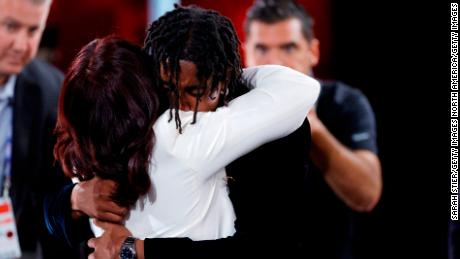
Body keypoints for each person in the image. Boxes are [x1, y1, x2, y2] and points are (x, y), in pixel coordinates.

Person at [44, 6, 320, 259]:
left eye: (196, 91)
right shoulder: (142, 116)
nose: (183, 106)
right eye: (168, 89)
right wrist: (75, 199)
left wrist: (133, 250)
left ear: (224, 77)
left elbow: (269, 247)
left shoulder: (278, 129)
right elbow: (55, 214)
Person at [243, 0, 382, 258]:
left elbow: (367, 194)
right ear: (246, 53)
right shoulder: (229, 109)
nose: (275, 61)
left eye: (289, 47)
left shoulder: (344, 103)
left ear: (313, 51)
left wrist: (313, 128)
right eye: (262, 49)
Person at [0, 0, 80, 258]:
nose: (22, 46)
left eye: (33, 31)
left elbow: (54, 195)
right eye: (11, 27)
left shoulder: (51, 91)